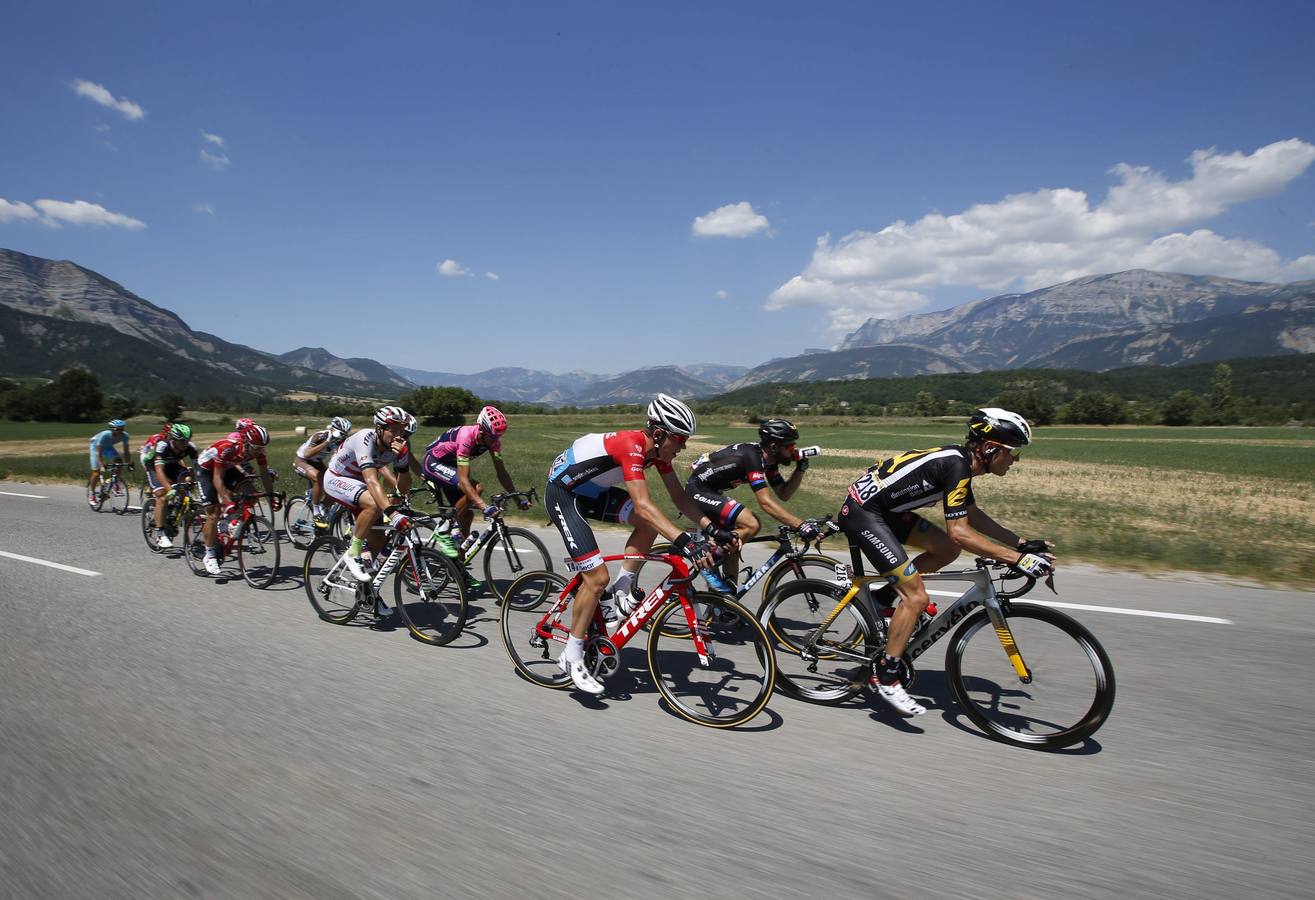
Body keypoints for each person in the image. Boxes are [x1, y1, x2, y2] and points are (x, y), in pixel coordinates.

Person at [837, 407, 1054, 716]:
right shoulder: (957, 465)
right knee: (915, 597)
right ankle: (885, 675)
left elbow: (973, 516)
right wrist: (1017, 559)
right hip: (864, 515)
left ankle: (883, 598)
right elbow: (961, 532)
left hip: (887, 513)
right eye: (1013, 452)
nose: (1016, 460)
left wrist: (1020, 544)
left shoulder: (962, 465)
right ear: (991, 449)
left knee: (946, 550)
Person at [544, 394, 732, 694]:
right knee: (596, 579)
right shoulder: (630, 446)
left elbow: (679, 498)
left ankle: (621, 590)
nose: (683, 446)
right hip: (564, 495)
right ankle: (572, 654)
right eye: (680, 439)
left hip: (592, 493)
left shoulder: (658, 453)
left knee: (647, 526)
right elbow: (643, 504)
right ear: (659, 434)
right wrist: (687, 543)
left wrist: (712, 529)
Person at [685, 418, 814, 589]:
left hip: (712, 491)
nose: (794, 450)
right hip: (698, 490)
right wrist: (800, 525)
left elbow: (784, 493)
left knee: (734, 540)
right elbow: (766, 503)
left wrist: (800, 468)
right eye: (789, 446)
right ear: (774, 447)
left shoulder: (769, 462)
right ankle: (707, 562)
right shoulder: (752, 457)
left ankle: (724, 603)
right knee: (751, 524)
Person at [322, 406, 416, 616]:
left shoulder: (399, 446)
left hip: (358, 486)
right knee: (374, 503)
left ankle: (367, 592)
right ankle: (353, 553)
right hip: (337, 478)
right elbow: (372, 480)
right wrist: (393, 513)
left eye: (402, 430)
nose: (399, 435)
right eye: (394, 429)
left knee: (378, 543)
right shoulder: (366, 438)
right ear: (379, 428)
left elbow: (403, 487)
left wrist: (403, 464)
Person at [419, 405, 530, 558]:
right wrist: (484, 507)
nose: (495, 442)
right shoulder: (466, 437)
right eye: (492, 437)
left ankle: (458, 564)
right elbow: (464, 480)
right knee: (476, 488)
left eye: (499, 437)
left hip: (451, 467)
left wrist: (517, 499)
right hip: (433, 463)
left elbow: (502, 473)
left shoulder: (493, 442)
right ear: (481, 430)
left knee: (467, 515)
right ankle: (443, 530)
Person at [195, 421, 277, 576]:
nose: (259, 451)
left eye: (262, 448)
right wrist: (229, 502)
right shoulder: (227, 447)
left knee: (252, 496)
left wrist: (271, 497)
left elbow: (265, 475)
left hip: (228, 467)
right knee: (213, 513)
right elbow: (217, 479)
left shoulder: (258, 451)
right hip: (207, 469)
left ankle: (231, 521)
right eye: (256, 448)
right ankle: (210, 554)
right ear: (245, 442)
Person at [140, 422, 199, 548]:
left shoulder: (191, 447)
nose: (185, 443)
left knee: (186, 480)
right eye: (182, 440)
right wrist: (169, 489)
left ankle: (177, 509)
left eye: (187, 440)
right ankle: (160, 533)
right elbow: (160, 471)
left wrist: (195, 481)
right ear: (173, 439)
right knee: (162, 495)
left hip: (172, 465)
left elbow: (199, 468)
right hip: (154, 466)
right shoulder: (163, 446)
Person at [293, 416, 352, 523]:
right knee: (318, 478)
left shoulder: (340, 440)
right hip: (302, 461)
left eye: (345, 435)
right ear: (333, 430)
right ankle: (316, 512)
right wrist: (326, 442)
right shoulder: (321, 436)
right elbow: (307, 454)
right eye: (341, 434)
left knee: (335, 485)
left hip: (317, 463)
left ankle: (324, 510)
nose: (342, 437)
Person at [87, 419, 132, 504]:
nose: (120, 431)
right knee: (96, 473)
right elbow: (98, 452)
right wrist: (101, 465)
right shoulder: (105, 435)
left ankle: (115, 483)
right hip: (95, 447)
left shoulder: (125, 436)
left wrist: (128, 463)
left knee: (119, 462)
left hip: (108, 447)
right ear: (112, 429)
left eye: (122, 429)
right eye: (117, 429)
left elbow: (126, 451)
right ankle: (92, 494)